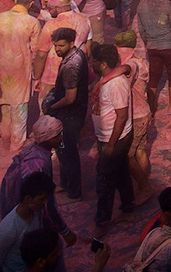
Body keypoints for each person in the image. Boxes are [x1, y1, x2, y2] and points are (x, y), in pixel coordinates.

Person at [0, 118, 74, 250]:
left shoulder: (34, 150)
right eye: (57, 135)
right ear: (47, 139)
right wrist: (65, 231)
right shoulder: (39, 163)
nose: (61, 138)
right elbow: (47, 203)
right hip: (25, 216)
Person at [90, 43, 135, 234]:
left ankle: (101, 223)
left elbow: (122, 116)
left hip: (114, 139)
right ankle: (128, 210)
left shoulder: (115, 84)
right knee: (121, 174)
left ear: (102, 65)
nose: (91, 63)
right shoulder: (109, 78)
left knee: (105, 182)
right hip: (111, 137)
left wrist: (110, 145)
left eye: (94, 60)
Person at [41, 29, 87, 203]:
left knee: (68, 153)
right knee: (63, 151)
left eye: (61, 45)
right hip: (72, 112)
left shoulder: (71, 65)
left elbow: (70, 98)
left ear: (71, 43)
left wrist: (51, 106)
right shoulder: (77, 55)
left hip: (71, 114)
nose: (57, 49)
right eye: (55, 45)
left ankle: (74, 193)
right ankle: (66, 184)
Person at [112, 31, 153, 204]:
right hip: (143, 112)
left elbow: (125, 70)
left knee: (127, 156)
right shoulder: (140, 60)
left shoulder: (131, 63)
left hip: (136, 115)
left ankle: (144, 187)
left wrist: (102, 81)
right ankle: (143, 183)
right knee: (140, 150)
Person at [137, 0, 171, 117]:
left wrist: (147, 43)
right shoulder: (168, 6)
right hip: (170, 46)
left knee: (154, 76)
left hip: (153, 47)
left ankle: (152, 106)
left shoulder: (141, 5)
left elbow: (141, 29)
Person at [0, 0, 39, 151]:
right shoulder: (32, 22)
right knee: (20, 106)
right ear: (30, 4)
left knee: (5, 105)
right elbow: (36, 50)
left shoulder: (1, 17)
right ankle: (16, 145)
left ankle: (5, 138)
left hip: (2, 68)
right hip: (21, 69)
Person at [0, 174, 61, 272]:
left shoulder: (36, 212)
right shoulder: (8, 229)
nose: (45, 202)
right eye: (42, 199)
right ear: (28, 199)